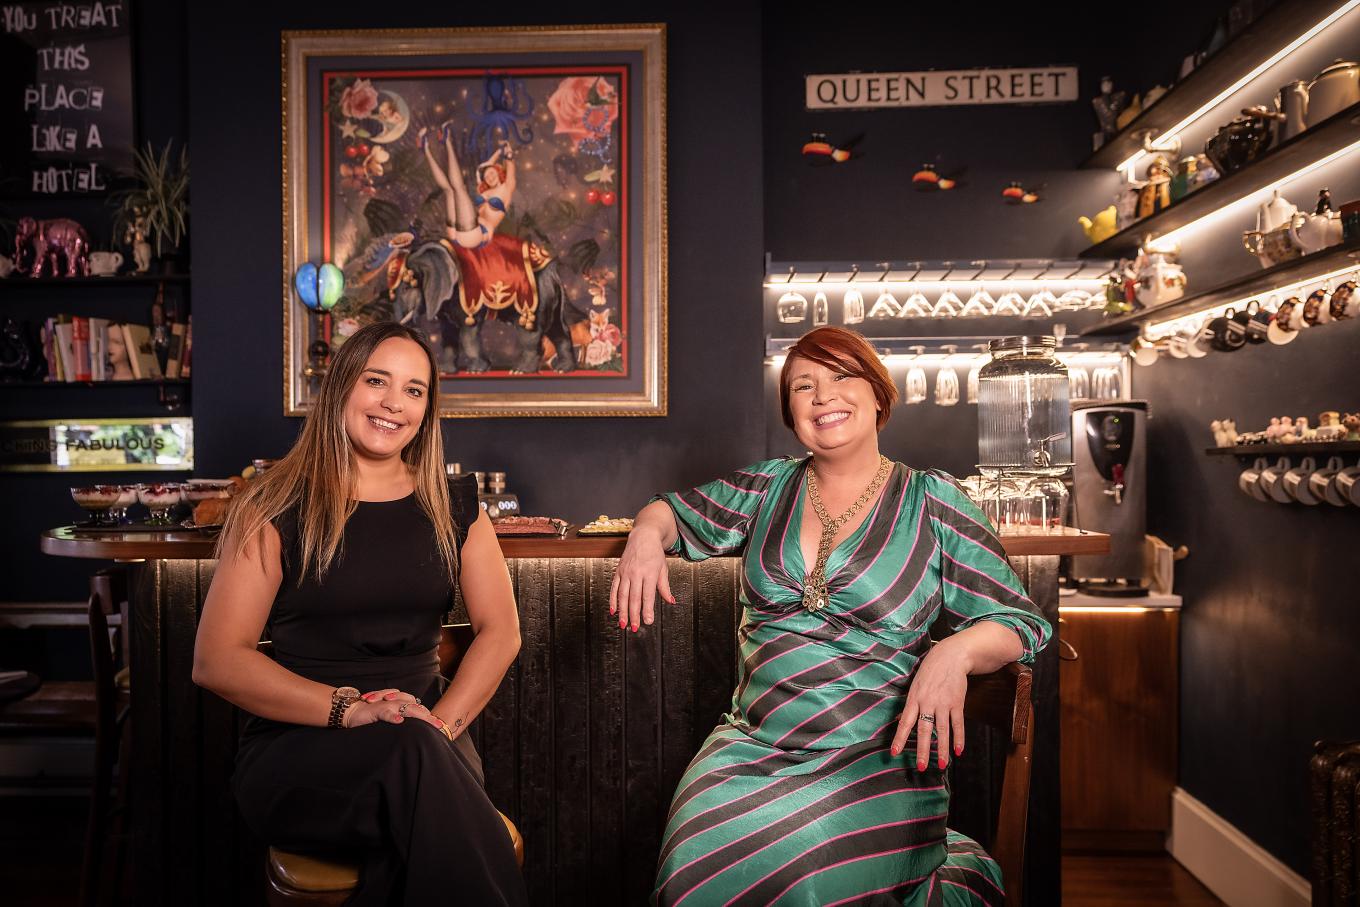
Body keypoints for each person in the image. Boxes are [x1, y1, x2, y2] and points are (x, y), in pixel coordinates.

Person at [613, 326, 1052, 906]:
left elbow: (1019, 620)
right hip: (751, 750)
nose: (823, 396)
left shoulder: (933, 500)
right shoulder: (767, 487)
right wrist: (646, 533)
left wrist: (955, 651)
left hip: (876, 758)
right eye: (804, 385)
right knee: (694, 857)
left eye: (842, 377)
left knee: (806, 865)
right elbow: (671, 511)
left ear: (877, 394)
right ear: (790, 409)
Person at [192, 321, 527, 906]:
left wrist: (440, 727)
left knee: (416, 758)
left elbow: (502, 631)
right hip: (302, 749)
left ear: (427, 408)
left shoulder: (455, 507)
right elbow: (217, 660)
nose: (394, 403)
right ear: (343, 386)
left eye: (415, 390)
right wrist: (347, 710)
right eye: (378, 381)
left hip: (430, 739)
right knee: (424, 781)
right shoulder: (273, 505)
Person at [419, 124, 516, 250]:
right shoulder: (483, 190)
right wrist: (497, 152)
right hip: (459, 230)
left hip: (477, 235)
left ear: (499, 172)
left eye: (492, 173)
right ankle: (425, 147)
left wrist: (506, 153)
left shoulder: (506, 188)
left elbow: (509, 167)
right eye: (486, 177)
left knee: (459, 189)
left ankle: (447, 139)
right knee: (449, 190)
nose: (489, 177)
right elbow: (483, 168)